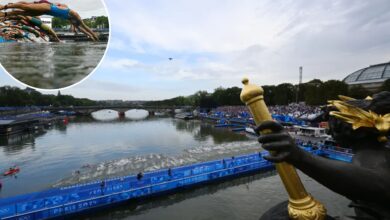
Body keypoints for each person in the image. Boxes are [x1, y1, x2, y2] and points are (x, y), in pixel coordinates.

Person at [256, 91, 390, 219]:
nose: (329, 132)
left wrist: (299, 156)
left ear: (357, 132)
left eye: (333, 128)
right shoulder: (377, 152)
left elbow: (379, 184)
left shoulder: (371, 158)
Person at [0, 2, 98, 41]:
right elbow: (82, 27)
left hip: (47, 11)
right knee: (25, 8)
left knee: (24, 13)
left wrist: (91, 36)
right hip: (48, 8)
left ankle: (5, 14)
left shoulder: (71, 19)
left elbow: (81, 28)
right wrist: (91, 34)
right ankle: (5, 8)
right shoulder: (72, 14)